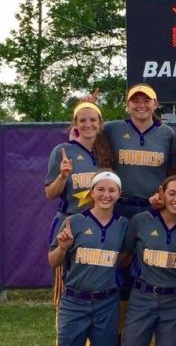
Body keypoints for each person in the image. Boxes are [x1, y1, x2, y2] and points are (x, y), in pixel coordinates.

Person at [45, 101, 114, 308]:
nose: (88, 124)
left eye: (93, 119)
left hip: (100, 229)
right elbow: (50, 193)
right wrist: (63, 177)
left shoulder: (106, 153)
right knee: (68, 292)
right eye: (82, 120)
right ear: (75, 123)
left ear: (100, 123)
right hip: (70, 226)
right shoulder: (64, 151)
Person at [49, 170, 128, 345]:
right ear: (91, 192)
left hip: (107, 303)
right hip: (74, 302)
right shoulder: (74, 221)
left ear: (119, 194)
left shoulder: (123, 224)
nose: (106, 195)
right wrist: (62, 248)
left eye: (111, 190)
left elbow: (124, 257)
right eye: (100, 189)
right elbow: (53, 261)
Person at [121, 175, 176, 346]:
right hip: (142, 296)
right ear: (162, 193)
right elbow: (124, 256)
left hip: (175, 300)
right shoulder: (141, 220)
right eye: (172, 193)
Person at [103, 83, 175, 219]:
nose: (141, 105)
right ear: (128, 105)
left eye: (146, 101)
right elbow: (86, 130)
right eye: (135, 101)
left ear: (155, 104)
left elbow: (173, 171)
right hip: (119, 206)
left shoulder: (167, 133)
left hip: (153, 207)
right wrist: (87, 107)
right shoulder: (113, 129)